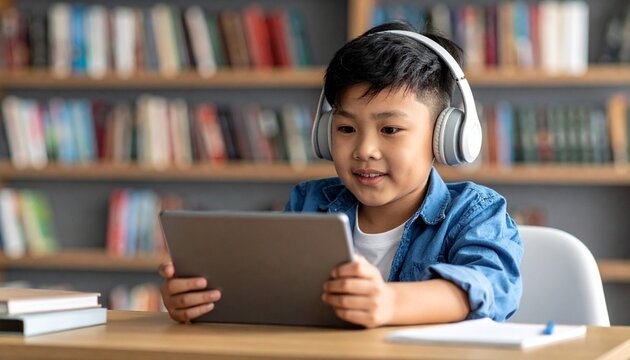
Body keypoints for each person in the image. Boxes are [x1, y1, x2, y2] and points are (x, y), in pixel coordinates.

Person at [158, 21, 522, 328]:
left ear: (444, 138)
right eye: (346, 129)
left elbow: (490, 286)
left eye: (390, 130)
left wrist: (389, 303)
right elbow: (274, 294)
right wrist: (202, 301)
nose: (364, 149)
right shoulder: (310, 202)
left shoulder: (475, 212)